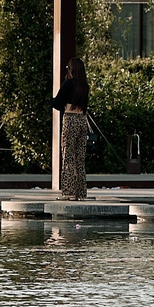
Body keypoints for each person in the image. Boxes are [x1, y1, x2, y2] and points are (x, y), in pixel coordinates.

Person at [49, 57, 92, 201]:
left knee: (68, 156)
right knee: (79, 157)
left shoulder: (68, 84)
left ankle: (69, 192)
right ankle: (81, 192)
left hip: (70, 119)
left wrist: (53, 101)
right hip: (81, 120)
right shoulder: (85, 86)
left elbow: (57, 103)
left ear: (72, 70)